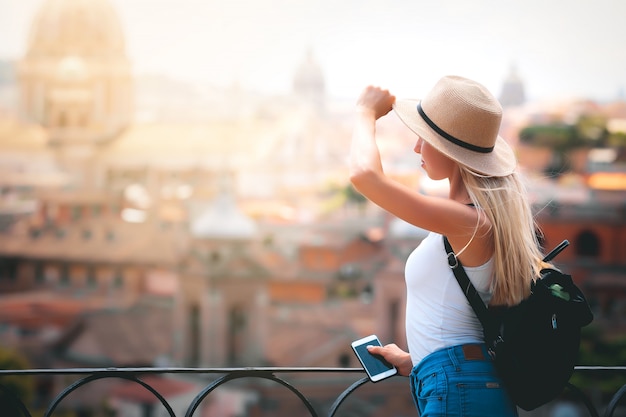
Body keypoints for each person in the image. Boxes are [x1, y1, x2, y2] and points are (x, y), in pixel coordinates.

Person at [349, 75, 547, 416]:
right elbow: (463, 320)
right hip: (458, 382)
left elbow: (364, 176)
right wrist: (417, 360)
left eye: (423, 139)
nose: (415, 148)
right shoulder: (470, 221)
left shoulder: (468, 222)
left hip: (459, 388)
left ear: (447, 149)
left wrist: (364, 112)